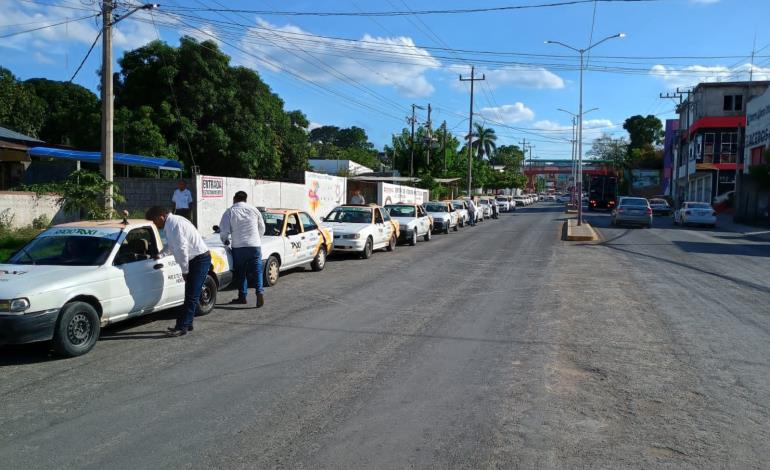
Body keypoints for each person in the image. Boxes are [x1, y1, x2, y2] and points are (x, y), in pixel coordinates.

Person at [145, 206, 211, 337]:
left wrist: (185, 271)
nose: (155, 224)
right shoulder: (172, 223)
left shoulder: (174, 224)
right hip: (196, 258)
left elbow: (182, 249)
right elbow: (172, 245)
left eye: (154, 221)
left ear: (161, 217)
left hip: (199, 259)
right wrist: (161, 254)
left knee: (191, 295)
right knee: (190, 294)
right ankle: (188, 323)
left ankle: (182, 326)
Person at [219, 191, 266, 308]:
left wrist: (225, 240)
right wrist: (256, 238)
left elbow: (224, 230)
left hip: (238, 247)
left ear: (234, 198)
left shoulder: (230, 211)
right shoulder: (254, 210)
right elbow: (262, 228)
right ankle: (259, 292)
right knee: (257, 271)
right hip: (254, 246)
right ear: (246, 199)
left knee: (241, 272)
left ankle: (242, 296)